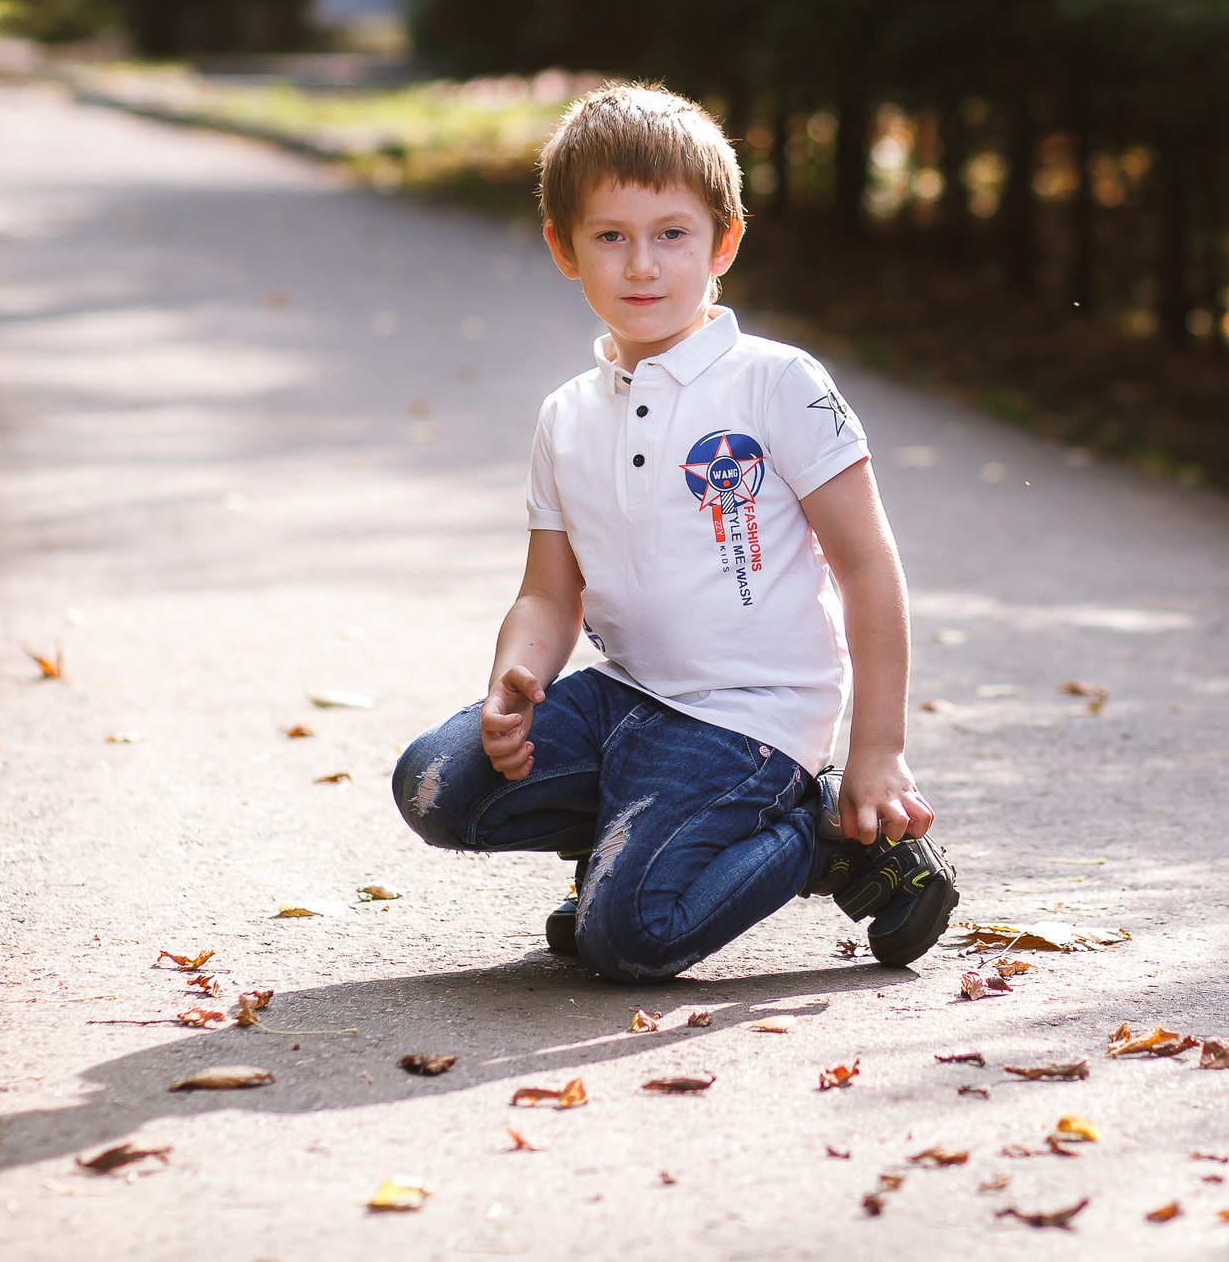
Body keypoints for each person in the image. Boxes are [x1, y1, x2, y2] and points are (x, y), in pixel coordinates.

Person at [391, 83, 956, 982]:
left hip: (748, 718)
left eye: (671, 234)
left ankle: (812, 837)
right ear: (563, 249)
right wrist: (517, 675)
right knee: (434, 784)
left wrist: (877, 751)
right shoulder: (567, 415)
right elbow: (548, 591)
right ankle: (633, 839)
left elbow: (867, 564)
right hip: (626, 696)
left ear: (723, 241)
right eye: (610, 237)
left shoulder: (777, 382)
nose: (641, 265)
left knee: (628, 938)